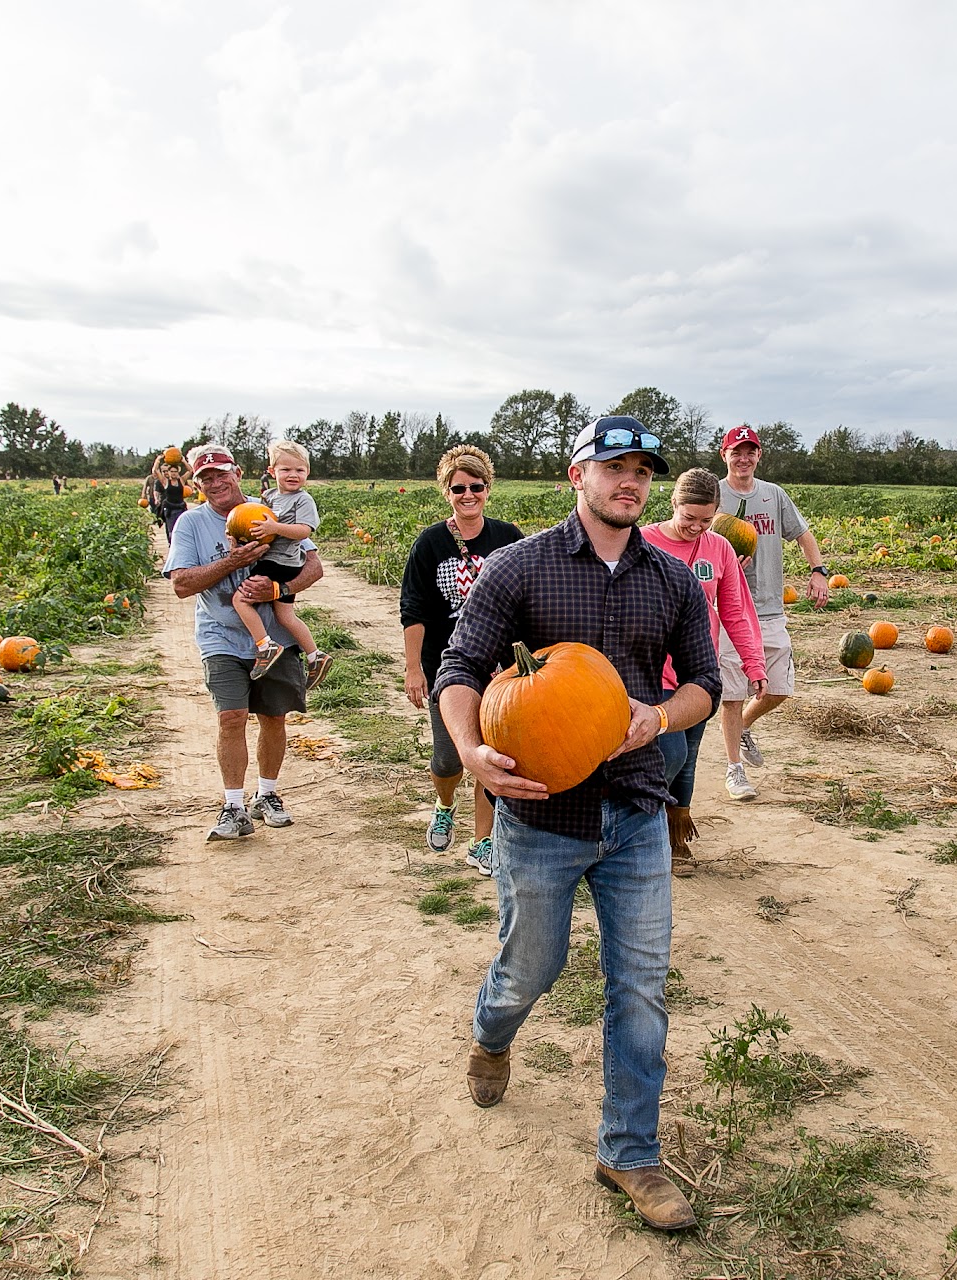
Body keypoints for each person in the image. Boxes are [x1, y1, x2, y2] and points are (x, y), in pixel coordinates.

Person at [434, 415, 720, 1233]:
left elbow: (704, 680)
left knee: (639, 986)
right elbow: (458, 667)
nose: (630, 481)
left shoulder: (669, 579)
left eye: (641, 470)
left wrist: (660, 719)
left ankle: (628, 1152)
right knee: (532, 968)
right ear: (577, 476)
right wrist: (470, 748)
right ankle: (493, 1033)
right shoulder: (519, 569)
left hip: (634, 810)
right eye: (614, 467)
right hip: (540, 814)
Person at [165, 444, 326, 841]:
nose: (216, 483)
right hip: (220, 636)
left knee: (274, 717)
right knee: (231, 717)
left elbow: (314, 566)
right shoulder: (191, 523)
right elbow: (182, 584)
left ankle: (267, 795)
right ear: (197, 484)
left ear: (237, 472)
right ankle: (233, 806)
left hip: (275, 634)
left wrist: (279, 587)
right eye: (206, 478)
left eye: (222, 474)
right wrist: (232, 563)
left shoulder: (271, 511)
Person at [400, 446, 523, 873]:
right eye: (458, 488)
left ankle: (482, 840)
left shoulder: (508, 538)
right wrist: (414, 668)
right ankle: (444, 803)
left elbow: (526, 599)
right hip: (446, 666)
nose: (468, 494)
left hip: (499, 667)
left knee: (490, 751)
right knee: (449, 758)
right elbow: (414, 609)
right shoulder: (431, 542)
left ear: (488, 488)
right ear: (446, 491)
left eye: (476, 486)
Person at [640, 467, 765, 875]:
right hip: (650, 672)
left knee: (689, 755)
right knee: (670, 753)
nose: (696, 527)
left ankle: (675, 839)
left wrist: (754, 663)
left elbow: (736, 610)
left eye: (705, 520)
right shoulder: (642, 542)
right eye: (688, 517)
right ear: (672, 504)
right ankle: (644, 827)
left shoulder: (720, 549)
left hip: (699, 671)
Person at [713, 425, 829, 801]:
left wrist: (818, 571)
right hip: (728, 608)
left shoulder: (773, 495)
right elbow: (691, 537)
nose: (743, 458)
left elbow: (802, 533)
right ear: (724, 455)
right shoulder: (714, 495)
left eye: (750, 451)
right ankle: (735, 771)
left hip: (769, 607)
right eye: (736, 451)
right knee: (732, 692)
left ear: (758, 455)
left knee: (778, 687)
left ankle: (743, 726)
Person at [232, 440, 331, 688]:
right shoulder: (270, 496)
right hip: (277, 561)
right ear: (271, 471)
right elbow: (255, 523)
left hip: (281, 562)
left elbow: (304, 531)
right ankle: (314, 656)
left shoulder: (303, 500)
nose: (293, 475)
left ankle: (265, 645)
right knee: (285, 615)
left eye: (299, 470)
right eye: (286, 470)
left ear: (307, 473)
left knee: (240, 600)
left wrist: (275, 528)